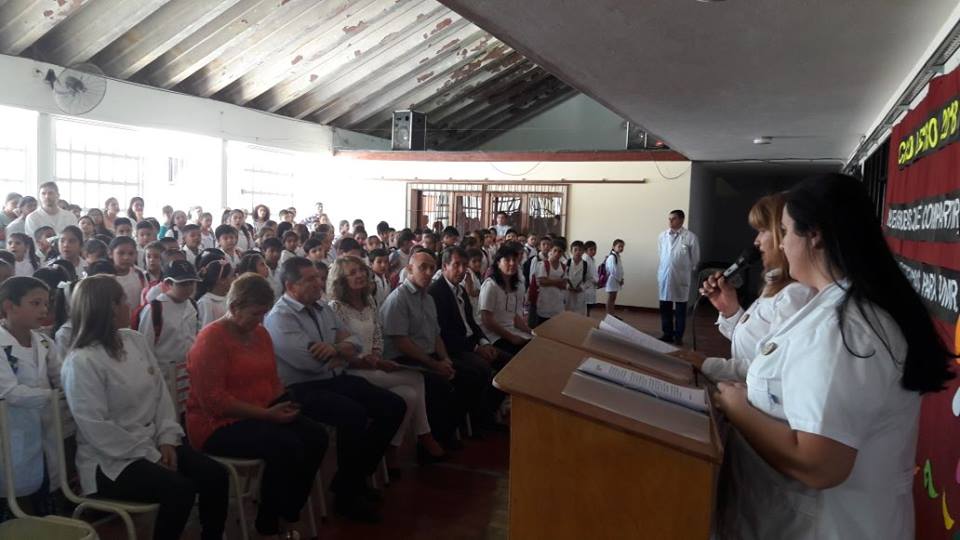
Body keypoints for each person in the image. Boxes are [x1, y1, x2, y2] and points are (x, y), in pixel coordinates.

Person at [712, 174, 955, 539]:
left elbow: (819, 464)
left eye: (785, 231)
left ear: (815, 235)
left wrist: (738, 409)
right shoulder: (829, 307)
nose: (781, 243)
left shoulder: (846, 328)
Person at [61, 275, 228, 540]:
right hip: (110, 461)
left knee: (215, 475)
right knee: (179, 490)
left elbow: (160, 395)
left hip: (152, 442)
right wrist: (150, 453)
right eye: (123, 300)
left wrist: (167, 439)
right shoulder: (82, 360)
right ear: (109, 308)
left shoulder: (134, 340)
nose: (129, 305)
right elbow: (97, 428)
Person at [264, 257, 405, 523]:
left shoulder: (321, 308)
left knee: (393, 406)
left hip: (334, 378)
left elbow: (354, 340)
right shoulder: (280, 318)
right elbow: (308, 362)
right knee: (353, 415)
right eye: (311, 280)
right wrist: (340, 351)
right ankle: (347, 496)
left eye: (319, 278)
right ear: (291, 285)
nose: (319, 283)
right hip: (301, 389)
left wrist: (335, 349)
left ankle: (350, 479)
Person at [187, 273, 327, 538]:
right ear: (234, 308)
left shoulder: (260, 334)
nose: (260, 320)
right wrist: (266, 414)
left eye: (264, 313)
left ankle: (286, 511)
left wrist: (283, 403)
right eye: (255, 314)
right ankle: (269, 521)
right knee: (286, 446)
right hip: (217, 425)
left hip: (260, 412)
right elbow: (214, 402)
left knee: (316, 436)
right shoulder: (211, 339)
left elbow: (271, 379)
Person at [676, 194, 815, 382]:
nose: (756, 241)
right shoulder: (775, 287)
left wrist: (707, 364)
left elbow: (772, 368)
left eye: (763, 230)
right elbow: (756, 344)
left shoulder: (796, 295)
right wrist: (730, 310)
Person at [327, 256, 446, 465]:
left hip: (374, 363)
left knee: (409, 395)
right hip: (352, 369)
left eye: (361, 270)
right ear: (341, 280)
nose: (359, 275)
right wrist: (368, 360)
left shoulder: (369, 301)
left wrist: (376, 353)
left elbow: (378, 335)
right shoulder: (336, 307)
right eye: (352, 273)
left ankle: (392, 447)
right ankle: (424, 435)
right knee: (416, 378)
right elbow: (341, 348)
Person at [428, 247, 509, 433]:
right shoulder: (436, 292)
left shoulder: (460, 290)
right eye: (456, 265)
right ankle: (477, 421)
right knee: (481, 370)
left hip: (470, 343)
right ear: (444, 266)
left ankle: (487, 411)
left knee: (509, 363)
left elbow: (471, 322)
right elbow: (444, 334)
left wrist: (484, 343)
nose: (461, 270)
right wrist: (476, 348)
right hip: (452, 348)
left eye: (464, 265)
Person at [0, 277, 62, 516]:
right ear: (9, 306)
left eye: (46, 303)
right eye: (35, 303)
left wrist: (67, 388)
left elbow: (61, 376)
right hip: (11, 429)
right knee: (11, 498)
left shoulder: (44, 342)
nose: (44, 310)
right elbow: (10, 392)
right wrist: (53, 396)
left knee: (44, 489)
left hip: (44, 427)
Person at [136, 260, 201, 416]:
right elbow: (145, 348)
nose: (188, 288)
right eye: (182, 284)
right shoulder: (155, 309)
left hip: (188, 375)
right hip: (164, 377)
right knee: (169, 415)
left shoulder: (192, 305)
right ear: (168, 284)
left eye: (191, 283)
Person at [480, 245, 532, 356]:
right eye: (507, 260)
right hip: (494, 336)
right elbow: (486, 320)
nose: (512, 263)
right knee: (523, 354)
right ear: (498, 263)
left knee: (536, 345)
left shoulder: (514, 286)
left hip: (511, 330)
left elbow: (513, 316)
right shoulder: (491, 285)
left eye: (514, 260)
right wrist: (511, 337)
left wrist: (531, 331)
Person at [657, 210, 700, 344]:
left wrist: (683, 269)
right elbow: (661, 254)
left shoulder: (690, 237)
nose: (670, 221)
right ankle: (667, 334)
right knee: (665, 307)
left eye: (674, 218)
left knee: (680, 309)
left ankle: (678, 336)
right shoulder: (662, 236)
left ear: (681, 220)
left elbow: (695, 259)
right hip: (665, 276)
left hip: (681, 277)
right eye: (669, 218)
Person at [603, 239, 626, 317]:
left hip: (616, 280)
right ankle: (609, 315)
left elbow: (619, 269)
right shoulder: (612, 257)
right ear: (613, 247)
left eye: (622, 247)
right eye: (619, 246)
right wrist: (619, 280)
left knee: (613, 298)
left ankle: (612, 314)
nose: (621, 248)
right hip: (612, 280)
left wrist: (621, 279)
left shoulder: (617, 256)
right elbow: (613, 271)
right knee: (610, 298)